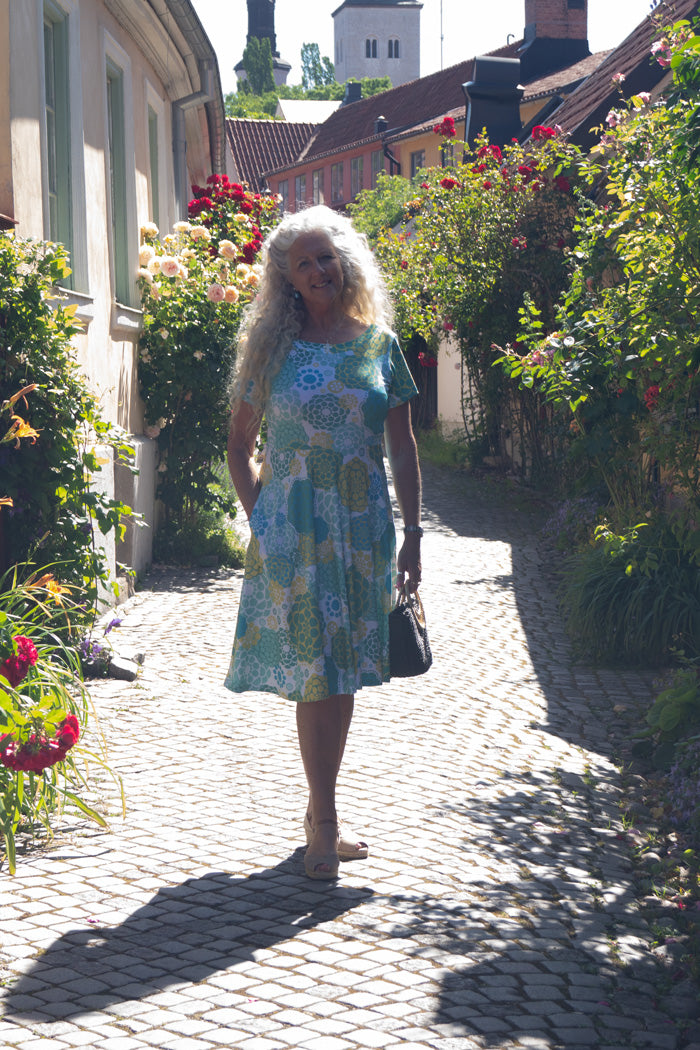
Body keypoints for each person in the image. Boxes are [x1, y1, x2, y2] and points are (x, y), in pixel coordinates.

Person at [225, 205, 422, 880]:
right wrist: (264, 519)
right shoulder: (272, 350)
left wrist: (414, 534)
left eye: (326, 257)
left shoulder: (380, 345)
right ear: (286, 278)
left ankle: (320, 810)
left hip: (364, 530)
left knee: (343, 671)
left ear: (346, 262)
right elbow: (238, 445)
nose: (317, 270)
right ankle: (327, 821)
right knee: (315, 670)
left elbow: (404, 446)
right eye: (302, 262)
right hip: (296, 533)